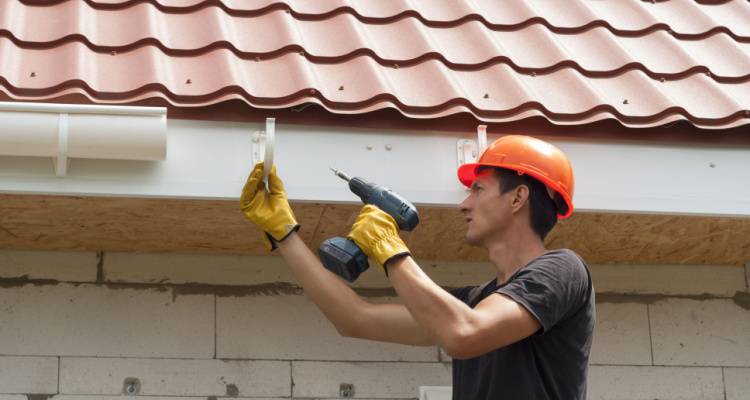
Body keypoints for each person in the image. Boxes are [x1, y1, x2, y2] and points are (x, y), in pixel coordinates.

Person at [240, 135, 595, 400]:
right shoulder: (473, 304)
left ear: (518, 198)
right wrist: (283, 232)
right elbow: (354, 318)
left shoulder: (564, 270)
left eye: (478, 189)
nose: (464, 204)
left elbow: (464, 334)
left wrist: (390, 249)